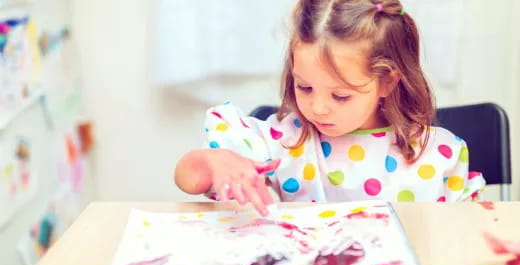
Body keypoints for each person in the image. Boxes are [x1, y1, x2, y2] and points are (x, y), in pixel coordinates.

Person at [175, 0, 485, 216]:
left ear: (387, 82)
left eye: (341, 96)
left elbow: (461, 230)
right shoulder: (284, 140)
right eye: (305, 87)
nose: (318, 108)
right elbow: (188, 179)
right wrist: (216, 161)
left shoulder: (439, 154)